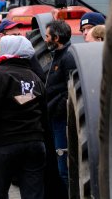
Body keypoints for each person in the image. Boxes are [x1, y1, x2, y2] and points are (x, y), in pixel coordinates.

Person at [0, 35, 48, 199]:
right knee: (34, 194)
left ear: (9, 52)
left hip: (5, 145)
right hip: (34, 145)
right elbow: (44, 115)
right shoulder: (35, 78)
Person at [0, 18, 45, 115]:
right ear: (1, 36)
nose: (18, 38)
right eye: (13, 35)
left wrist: (21, 103)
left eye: (18, 35)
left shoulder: (26, 54)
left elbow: (40, 81)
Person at [44, 20, 76, 192]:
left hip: (60, 120)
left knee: (63, 167)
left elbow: (69, 90)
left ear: (56, 38)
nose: (45, 39)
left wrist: (55, 108)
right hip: (54, 118)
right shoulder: (58, 55)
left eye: (48, 36)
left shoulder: (67, 57)